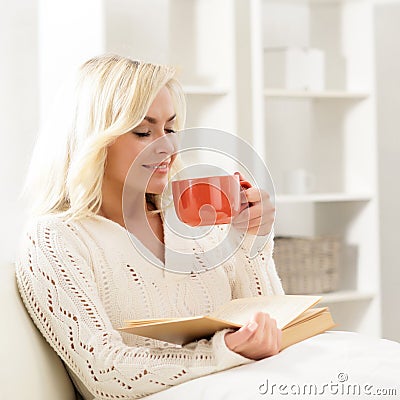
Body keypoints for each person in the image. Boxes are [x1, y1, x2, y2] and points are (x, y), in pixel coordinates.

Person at [16, 54, 284, 399]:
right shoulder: (54, 239)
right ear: (93, 141)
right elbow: (106, 371)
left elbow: (271, 329)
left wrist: (252, 241)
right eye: (144, 131)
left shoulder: (194, 226)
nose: (168, 146)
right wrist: (223, 352)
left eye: (170, 129)